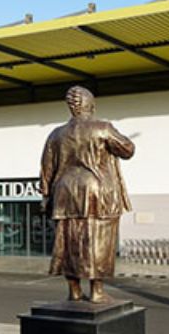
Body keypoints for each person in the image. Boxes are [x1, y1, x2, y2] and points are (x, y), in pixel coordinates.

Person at [40, 86, 135, 303]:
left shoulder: (56, 134)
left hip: (64, 191)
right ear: (90, 105)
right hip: (97, 191)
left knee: (68, 240)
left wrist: (45, 195)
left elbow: (46, 168)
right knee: (98, 238)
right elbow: (128, 149)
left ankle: (74, 291)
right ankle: (97, 290)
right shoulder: (102, 127)